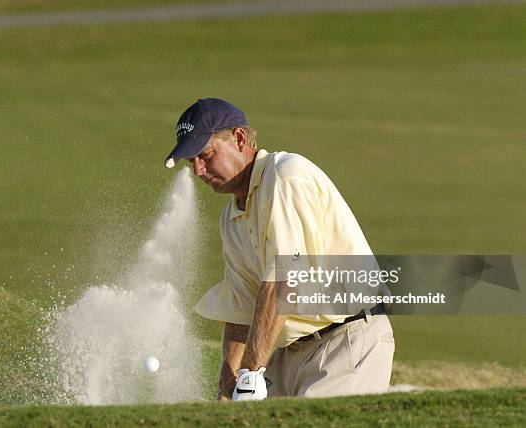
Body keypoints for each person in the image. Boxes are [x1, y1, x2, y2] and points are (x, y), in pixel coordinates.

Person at [164, 98, 395, 401]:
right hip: (289, 354)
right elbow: (241, 305)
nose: (198, 170)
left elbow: (286, 280)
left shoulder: (285, 175)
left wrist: (249, 372)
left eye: (205, 156)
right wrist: (228, 379)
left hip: (345, 341)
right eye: (190, 162)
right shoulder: (231, 216)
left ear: (239, 139)